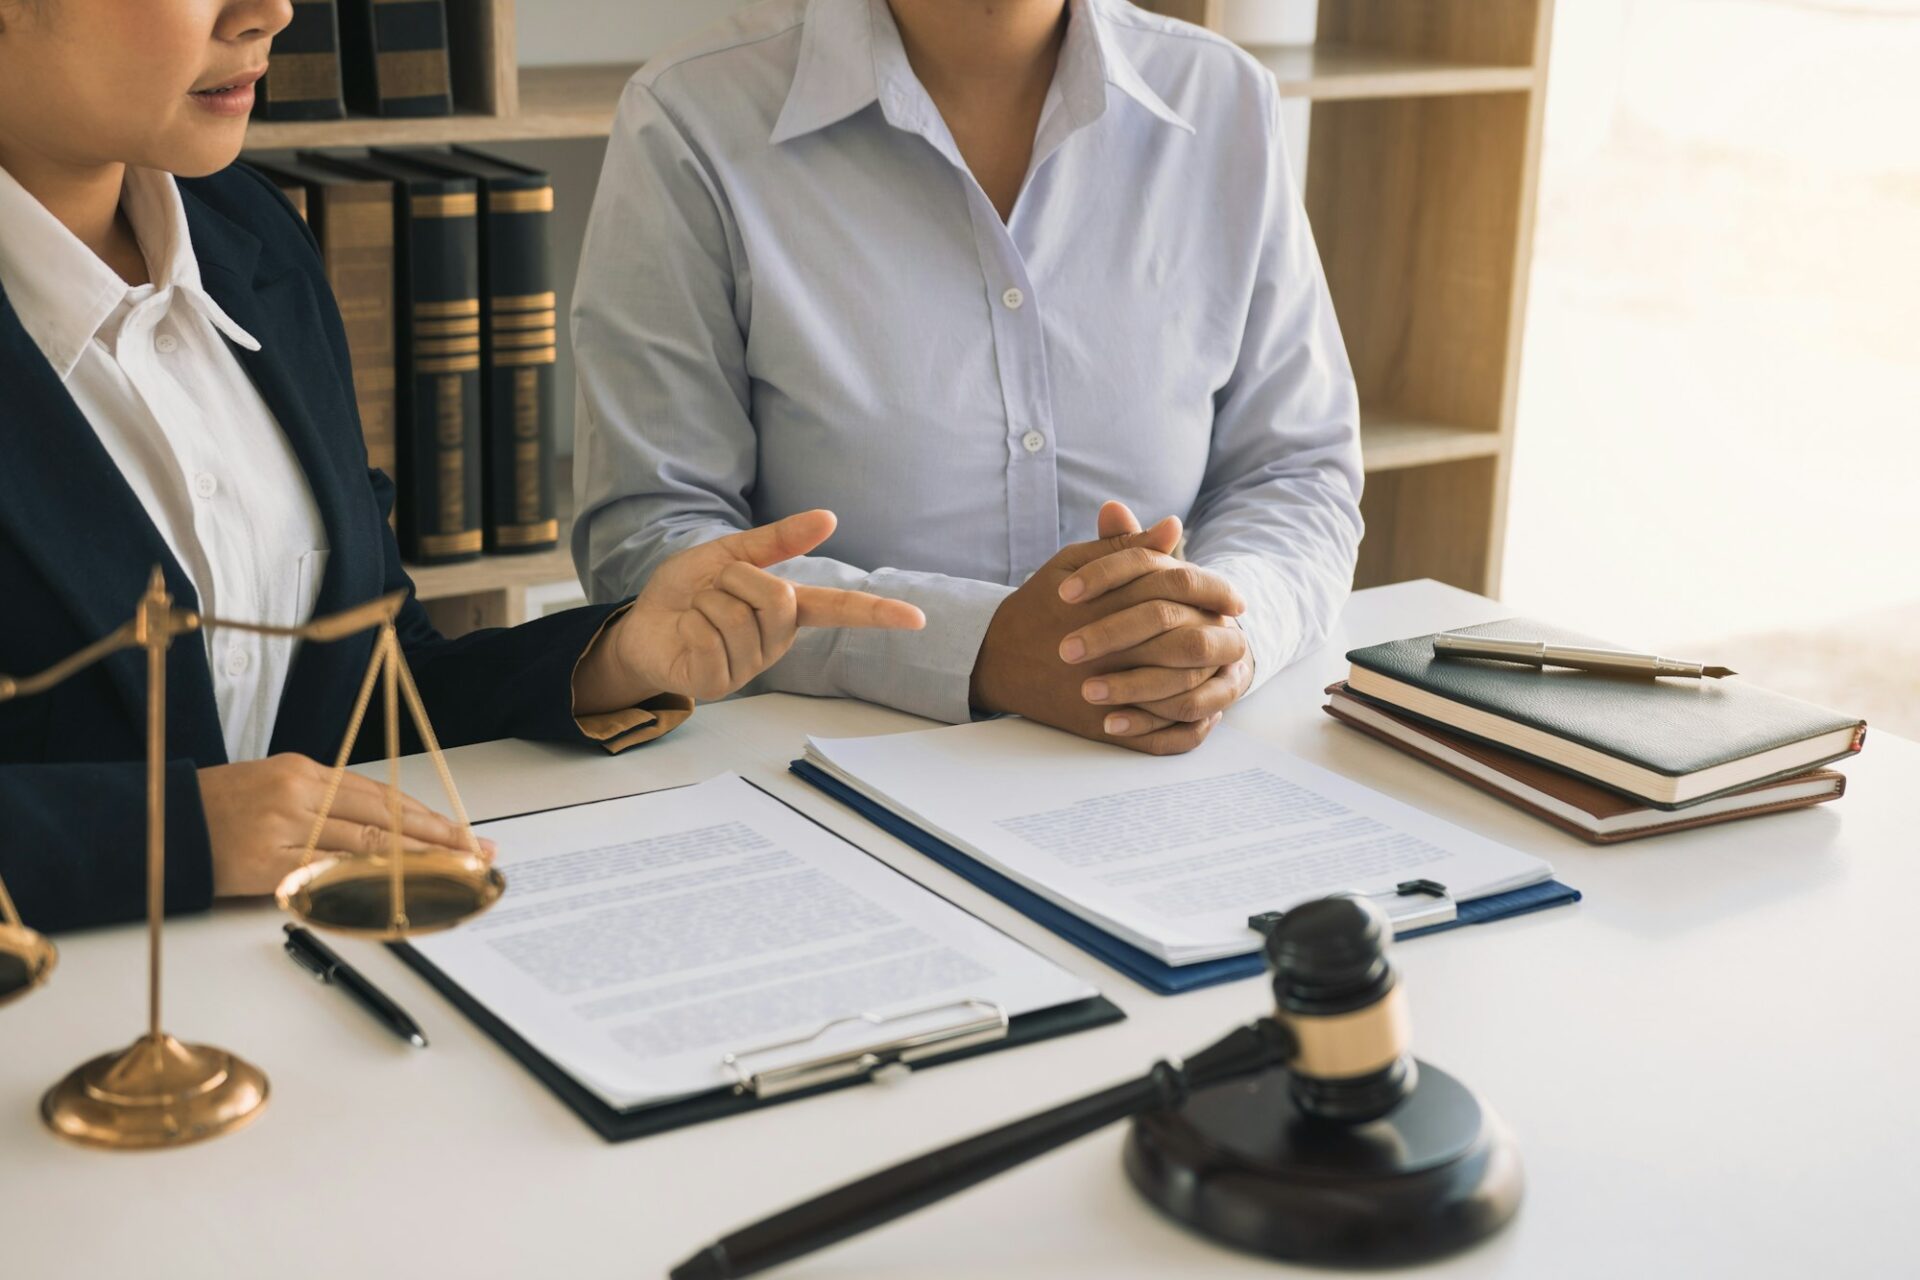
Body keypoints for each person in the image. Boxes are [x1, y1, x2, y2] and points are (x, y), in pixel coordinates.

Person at [0, 0, 925, 934]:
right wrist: (173, 833)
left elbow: (371, 684)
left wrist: (620, 654)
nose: (270, 11)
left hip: (308, 984)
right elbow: (228, 814)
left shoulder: (250, 236)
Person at [571, 0, 1363, 757]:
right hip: (829, 767)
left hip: (1179, 764)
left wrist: (1217, 635)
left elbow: (1294, 471)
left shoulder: (1224, 97)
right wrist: (977, 650)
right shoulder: (692, 114)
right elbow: (650, 542)